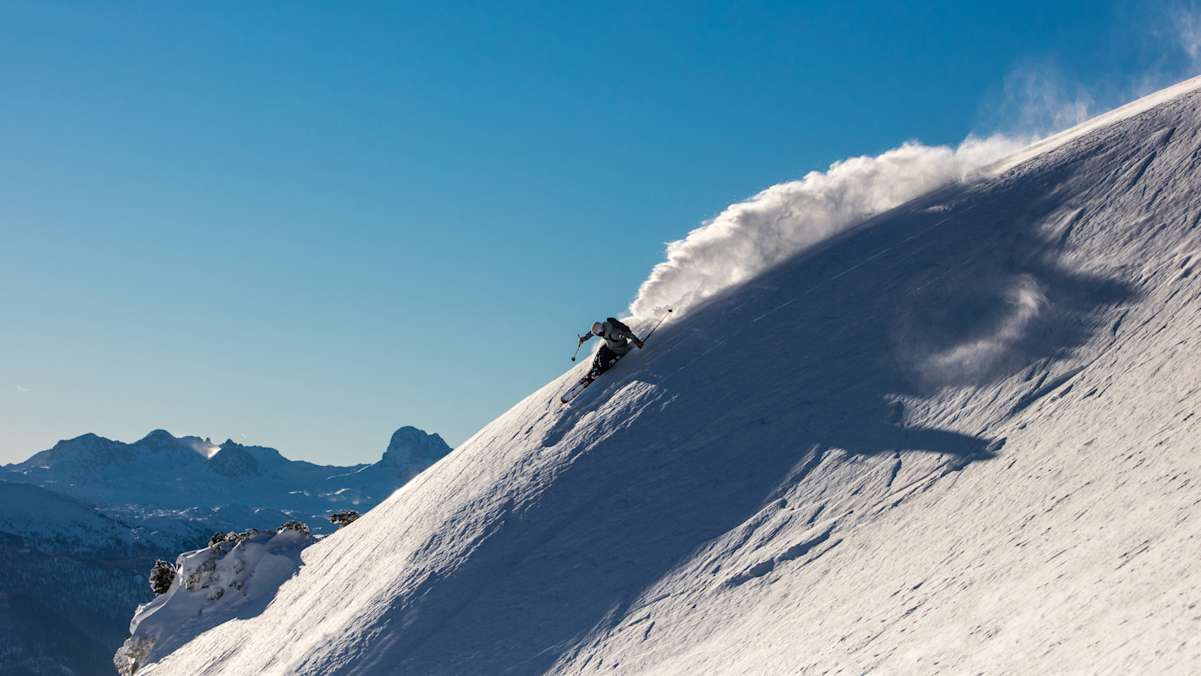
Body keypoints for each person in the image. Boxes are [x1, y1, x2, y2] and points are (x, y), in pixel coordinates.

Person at [578, 317, 645, 379]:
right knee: (600, 351)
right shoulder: (604, 328)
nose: (597, 335)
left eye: (597, 334)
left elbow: (628, 334)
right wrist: (585, 338)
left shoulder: (614, 334)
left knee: (603, 358)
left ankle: (602, 369)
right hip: (610, 346)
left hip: (619, 349)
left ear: (600, 331)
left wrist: (637, 342)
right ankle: (595, 367)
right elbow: (592, 333)